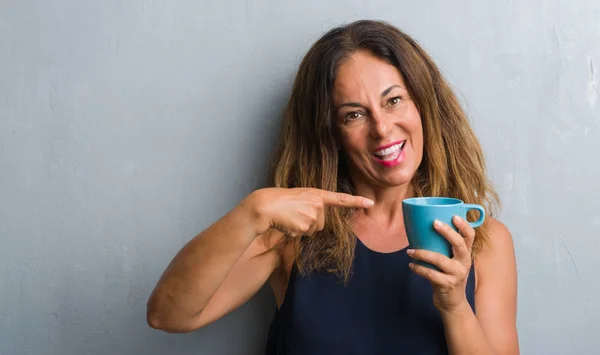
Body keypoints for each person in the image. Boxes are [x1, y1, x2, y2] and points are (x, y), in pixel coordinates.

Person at [146, 19, 519, 355]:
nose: (382, 129)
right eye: (353, 114)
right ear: (331, 134)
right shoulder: (291, 233)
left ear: (423, 105)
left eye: (393, 101)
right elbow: (168, 315)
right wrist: (251, 213)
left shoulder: (484, 240)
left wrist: (455, 307)